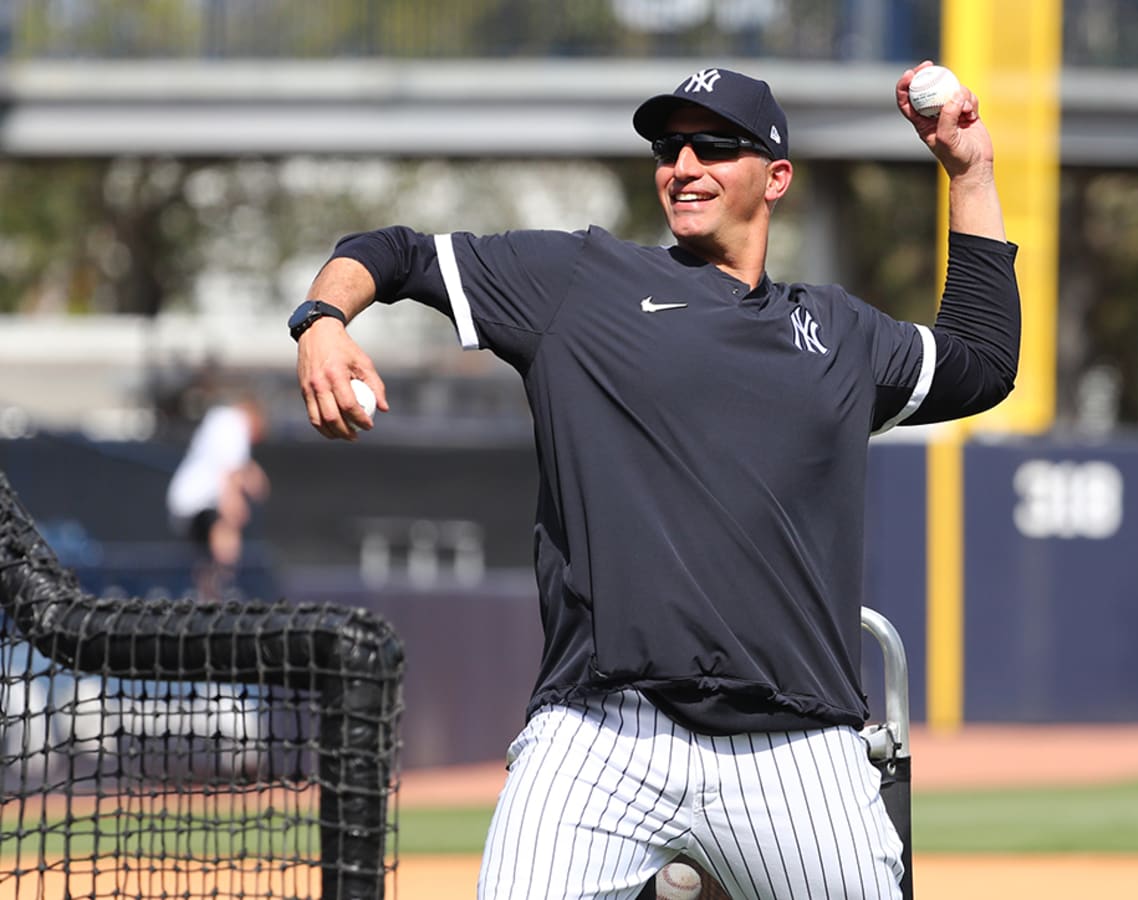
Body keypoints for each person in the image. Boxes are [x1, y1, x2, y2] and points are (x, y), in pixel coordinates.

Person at [291, 63, 1019, 900]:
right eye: (669, 147)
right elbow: (395, 252)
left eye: (714, 145)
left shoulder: (842, 335)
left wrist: (971, 172)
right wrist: (322, 320)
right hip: (603, 733)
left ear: (776, 176)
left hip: (796, 746)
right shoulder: (578, 285)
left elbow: (984, 361)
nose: (684, 165)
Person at [166, 394, 270, 600]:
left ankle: (209, 595)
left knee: (206, 559)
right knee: (225, 529)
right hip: (197, 503)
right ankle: (223, 589)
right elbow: (230, 473)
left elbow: (240, 469)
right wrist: (234, 505)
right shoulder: (234, 424)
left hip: (184, 503)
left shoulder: (220, 422)